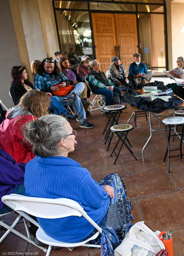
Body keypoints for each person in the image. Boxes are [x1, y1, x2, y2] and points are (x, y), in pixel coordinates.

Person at [24, 114, 133, 255]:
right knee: (114, 182)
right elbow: (99, 202)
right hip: (78, 231)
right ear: (63, 142)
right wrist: (102, 189)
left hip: (50, 229)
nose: (75, 136)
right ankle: (120, 232)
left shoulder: (30, 166)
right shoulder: (78, 176)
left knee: (103, 188)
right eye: (72, 133)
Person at [35, 58, 94, 129]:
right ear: (43, 66)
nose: (50, 69)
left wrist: (65, 83)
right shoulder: (39, 76)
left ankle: (72, 95)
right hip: (53, 99)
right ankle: (81, 120)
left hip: (66, 95)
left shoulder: (58, 72)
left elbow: (67, 81)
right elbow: (38, 91)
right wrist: (50, 89)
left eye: (51, 67)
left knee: (81, 84)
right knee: (76, 98)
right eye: (47, 67)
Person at [0, 90, 50, 164]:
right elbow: (37, 147)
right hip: (17, 161)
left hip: (5, 156)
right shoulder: (27, 122)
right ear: (40, 105)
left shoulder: (13, 115)